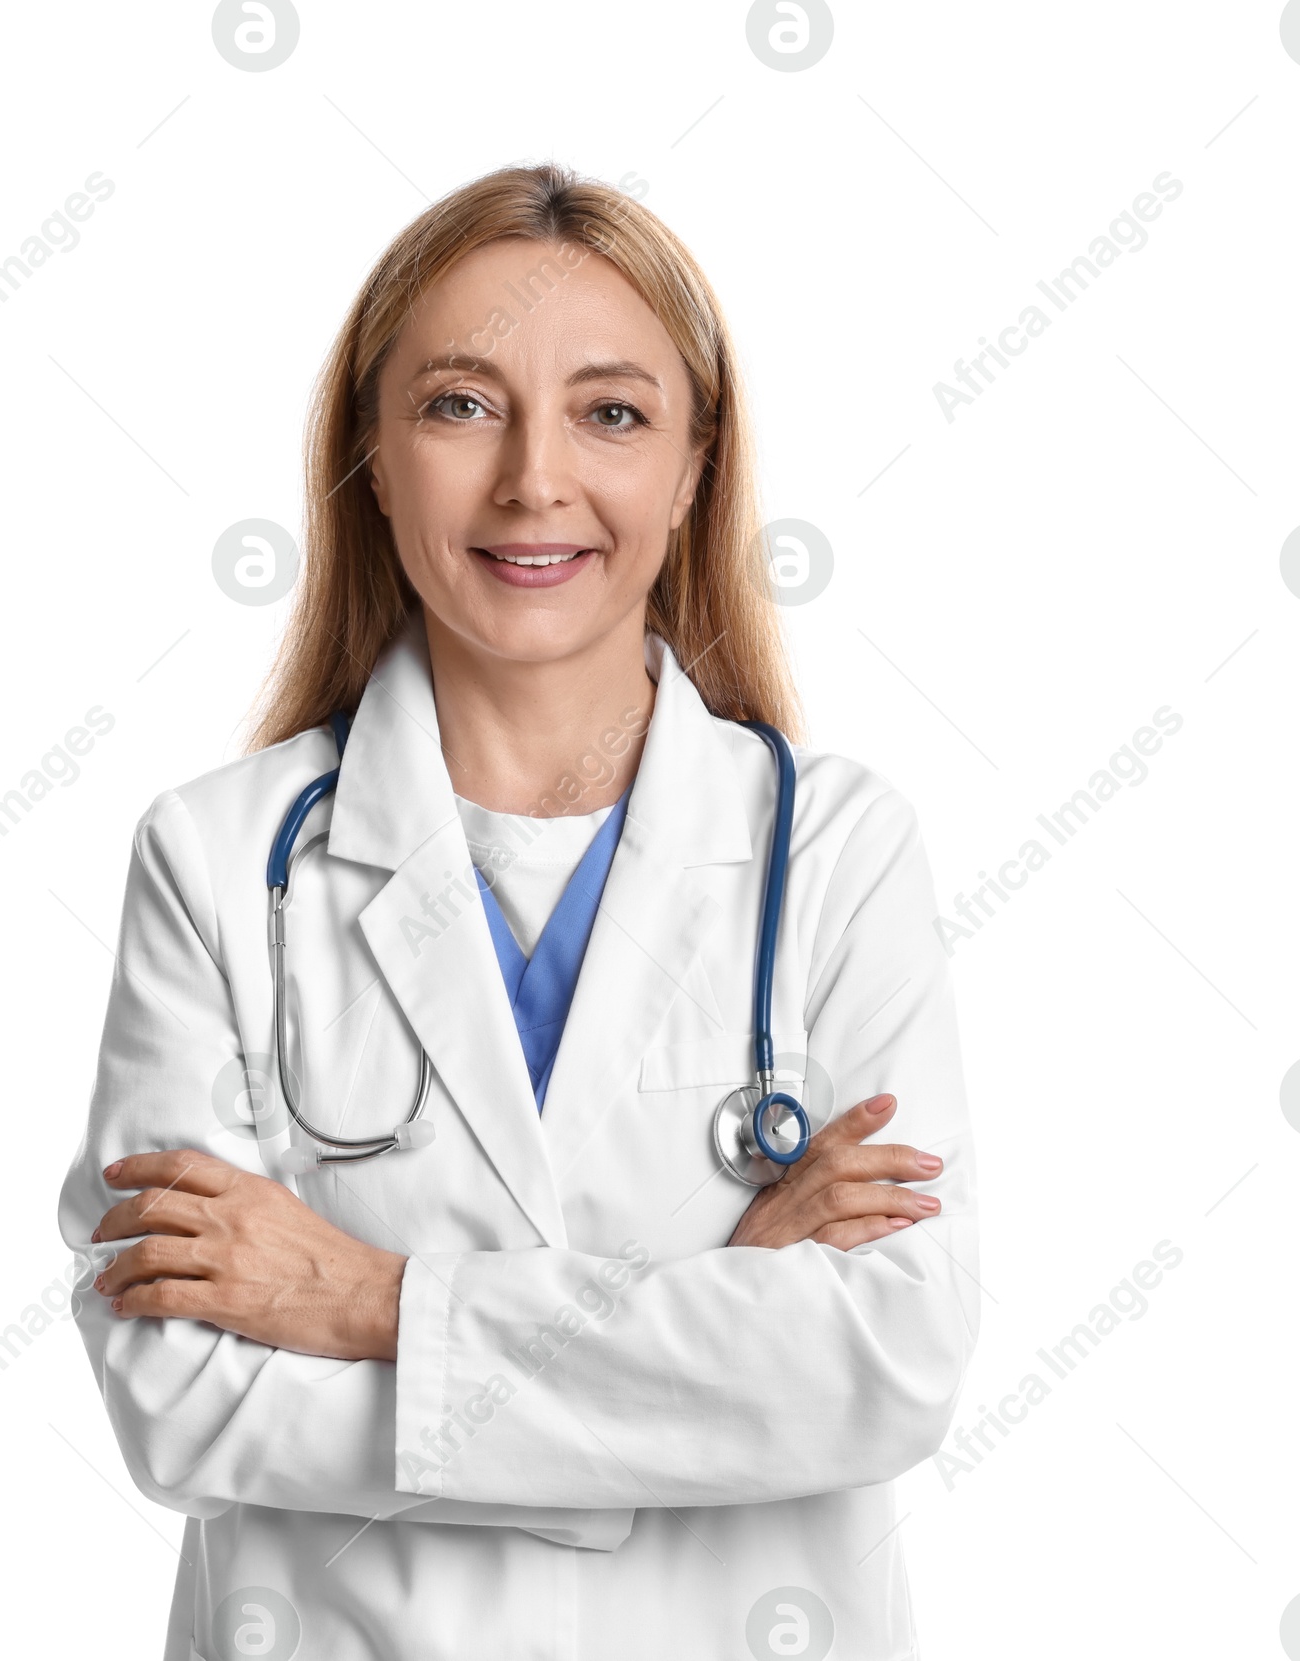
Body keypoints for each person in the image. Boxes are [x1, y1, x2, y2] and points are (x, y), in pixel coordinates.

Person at [56, 161, 978, 1661]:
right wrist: (708, 1326)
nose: (534, 481)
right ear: (372, 447)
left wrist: (367, 1301)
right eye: (460, 405)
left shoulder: (840, 854)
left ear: (694, 466)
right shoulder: (218, 860)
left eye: (611, 412)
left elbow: (884, 1365)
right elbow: (181, 1407)